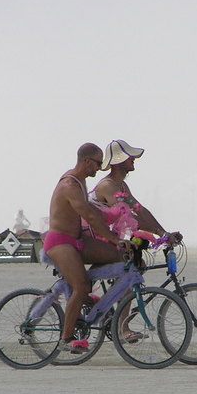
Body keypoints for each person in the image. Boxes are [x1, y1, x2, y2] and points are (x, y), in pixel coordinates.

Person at [44, 143, 129, 353]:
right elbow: (89, 215)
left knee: (119, 256)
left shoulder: (80, 181)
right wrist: (113, 237)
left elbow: (94, 211)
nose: (100, 168)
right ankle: (66, 338)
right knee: (81, 285)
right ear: (86, 161)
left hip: (76, 240)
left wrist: (116, 238)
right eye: (98, 163)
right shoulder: (70, 185)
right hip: (60, 242)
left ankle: (94, 302)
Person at [92, 140, 182, 244]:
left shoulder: (122, 186)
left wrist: (165, 233)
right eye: (129, 156)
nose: (133, 158)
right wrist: (161, 233)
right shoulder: (108, 186)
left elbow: (139, 209)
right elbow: (127, 217)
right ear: (119, 162)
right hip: (93, 237)